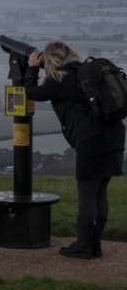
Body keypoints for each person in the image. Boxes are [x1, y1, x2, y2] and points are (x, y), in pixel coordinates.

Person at [25, 41, 125, 259]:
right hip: (115, 137)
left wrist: (32, 66)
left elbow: (32, 92)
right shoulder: (83, 73)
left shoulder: (60, 78)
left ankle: (84, 246)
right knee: (100, 193)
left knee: (87, 194)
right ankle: (94, 245)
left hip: (92, 140)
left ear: (50, 60)